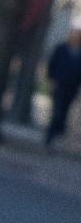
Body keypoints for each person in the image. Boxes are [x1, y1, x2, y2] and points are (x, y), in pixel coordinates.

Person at [44, 16, 81, 147]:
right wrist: (51, 79)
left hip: (72, 87)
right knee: (57, 110)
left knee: (64, 111)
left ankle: (57, 133)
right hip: (59, 84)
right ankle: (50, 135)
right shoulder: (61, 48)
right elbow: (52, 64)